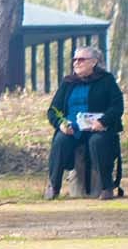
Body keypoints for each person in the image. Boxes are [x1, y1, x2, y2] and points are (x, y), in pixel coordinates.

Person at [45, 45, 123, 200]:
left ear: (93, 62)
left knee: (97, 142)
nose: (76, 63)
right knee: (60, 140)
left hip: (99, 129)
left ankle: (106, 188)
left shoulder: (106, 80)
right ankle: (54, 186)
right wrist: (61, 124)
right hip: (73, 130)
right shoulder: (68, 82)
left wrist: (102, 122)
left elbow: (117, 106)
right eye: (74, 59)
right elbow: (53, 110)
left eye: (81, 59)